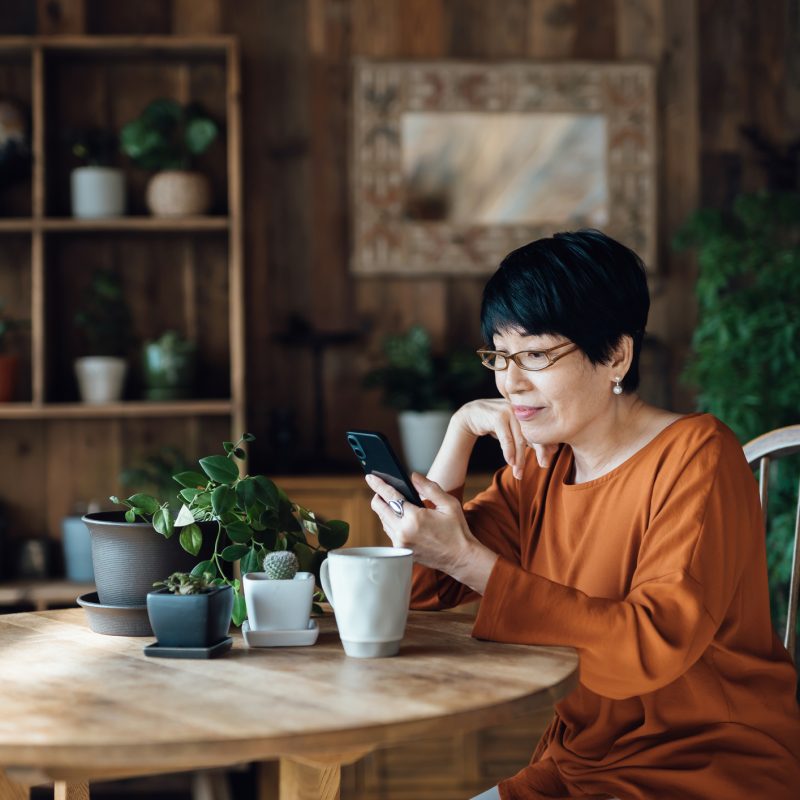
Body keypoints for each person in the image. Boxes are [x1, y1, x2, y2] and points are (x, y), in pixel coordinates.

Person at [364, 230, 800, 800]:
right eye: (500, 355)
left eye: (537, 355)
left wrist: (469, 560)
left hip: (706, 767)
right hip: (581, 765)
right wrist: (460, 432)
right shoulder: (544, 466)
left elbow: (649, 646)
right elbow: (421, 584)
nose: (510, 381)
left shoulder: (698, 456)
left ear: (616, 354)